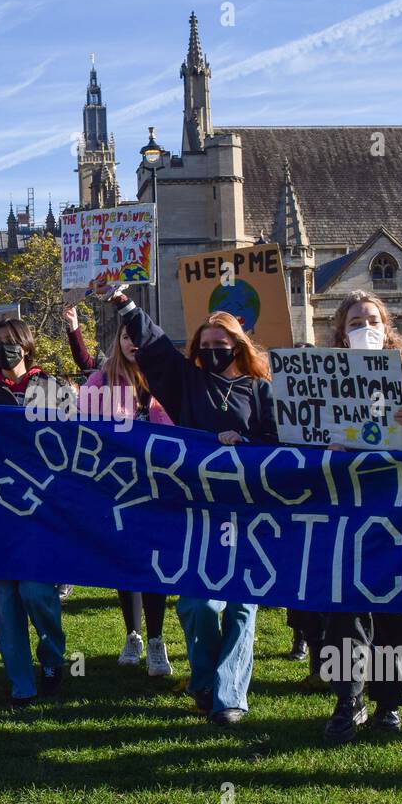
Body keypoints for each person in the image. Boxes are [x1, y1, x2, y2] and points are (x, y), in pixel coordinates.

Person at [105, 284, 277, 724]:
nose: (214, 350)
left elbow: (280, 443)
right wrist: (125, 304)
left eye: (222, 344)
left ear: (238, 345)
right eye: (206, 345)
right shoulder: (188, 384)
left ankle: (230, 696)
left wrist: (248, 442)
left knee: (240, 605)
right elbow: (158, 348)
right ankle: (203, 678)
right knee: (198, 604)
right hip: (197, 510)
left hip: (246, 511)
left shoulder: (260, 390)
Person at [322, 290, 402, 743]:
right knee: (345, 608)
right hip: (346, 508)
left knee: (396, 608)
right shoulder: (324, 377)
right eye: (355, 320)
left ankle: (390, 701)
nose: (364, 326)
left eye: (372, 318)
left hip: (400, 509)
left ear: (386, 324)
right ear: (341, 330)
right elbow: (298, 429)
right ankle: (347, 698)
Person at [0, 318, 74, 706]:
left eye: (11, 342)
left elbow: (73, 443)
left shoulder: (54, 389)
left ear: (26, 347)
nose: (4, 349)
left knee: (36, 592)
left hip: (42, 508)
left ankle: (52, 657)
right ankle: (21, 684)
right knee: (6, 599)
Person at [68, 303, 176, 676]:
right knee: (125, 565)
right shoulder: (101, 381)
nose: (132, 343)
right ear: (119, 342)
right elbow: (84, 430)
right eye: (126, 337)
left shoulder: (164, 378)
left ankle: (158, 640)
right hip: (117, 486)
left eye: (137, 336)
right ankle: (133, 635)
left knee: (152, 565)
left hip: (158, 486)